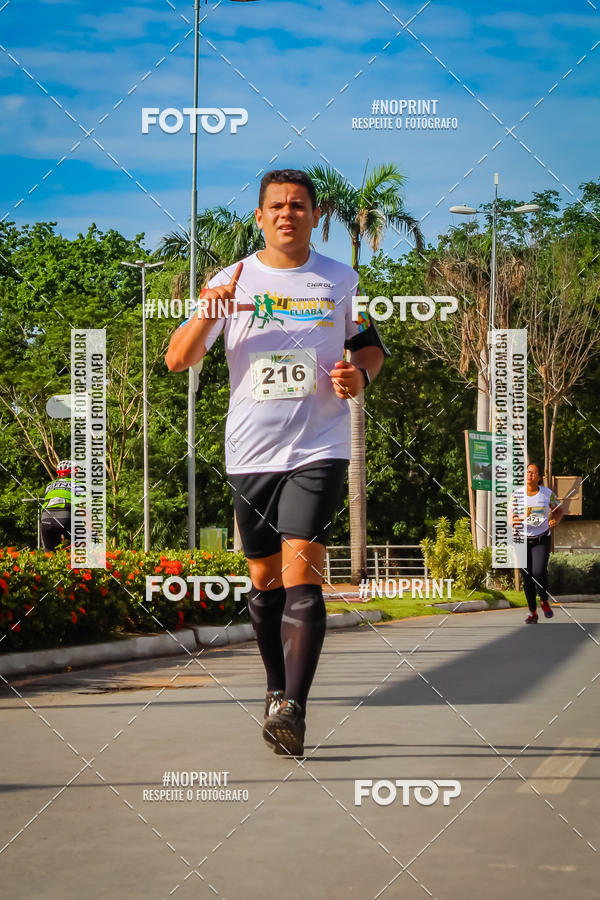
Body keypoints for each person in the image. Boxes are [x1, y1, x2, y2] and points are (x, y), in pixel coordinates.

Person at [166, 169, 387, 755]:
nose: (288, 213)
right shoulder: (231, 280)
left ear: (315, 216)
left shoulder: (341, 280)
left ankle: (294, 707)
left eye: (298, 205)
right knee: (263, 579)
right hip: (250, 451)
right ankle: (274, 686)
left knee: (302, 574)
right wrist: (207, 311)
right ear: (261, 217)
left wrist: (359, 376)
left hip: (319, 447)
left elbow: (369, 348)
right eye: (277, 206)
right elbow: (177, 359)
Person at [511, 463, 563, 624]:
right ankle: (532, 613)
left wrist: (555, 520)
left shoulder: (547, 494)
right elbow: (511, 515)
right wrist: (514, 521)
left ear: (539, 477)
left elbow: (559, 511)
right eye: (527, 472)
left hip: (541, 538)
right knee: (526, 576)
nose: (529, 475)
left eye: (533, 473)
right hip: (521, 539)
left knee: (539, 572)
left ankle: (544, 600)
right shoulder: (517, 494)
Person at [41, 460, 76, 551]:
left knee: (49, 553)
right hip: (65, 517)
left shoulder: (49, 485)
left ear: (58, 475)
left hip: (46, 518)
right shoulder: (79, 485)